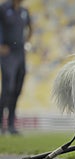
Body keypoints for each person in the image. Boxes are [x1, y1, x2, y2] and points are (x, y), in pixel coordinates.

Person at [0, 0, 32, 135]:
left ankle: (12, 124)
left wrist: (27, 42)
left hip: (20, 53)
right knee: (8, 88)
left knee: (17, 88)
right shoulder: (3, 8)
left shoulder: (24, 12)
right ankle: (1, 124)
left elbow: (31, 27)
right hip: (8, 53)